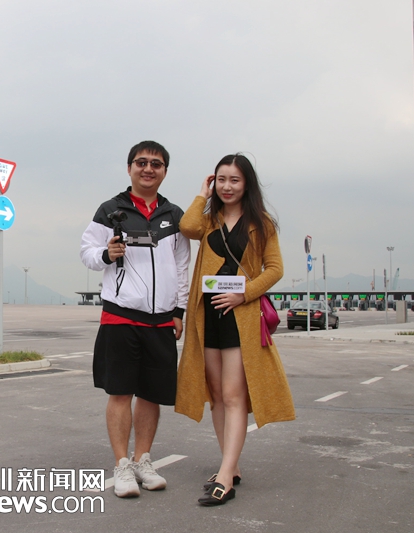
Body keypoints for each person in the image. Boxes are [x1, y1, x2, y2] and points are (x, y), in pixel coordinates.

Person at [175, 154, 295, 506]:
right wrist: (202, 194)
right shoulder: (209, 219)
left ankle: (225, 476)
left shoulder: (261, 223)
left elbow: (275, 269)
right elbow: (187, 227)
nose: (227, 187)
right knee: (215, 393)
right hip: (208, 316)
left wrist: (244, 294)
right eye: (222, 180)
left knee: (232, 395)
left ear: (247, 184)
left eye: (235, 180)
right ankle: (232, 464)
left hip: (240, 317)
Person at [80, 140, 190, 498]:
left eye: (156, 164)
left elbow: (183, 266)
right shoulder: (111, 210)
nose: (148, 169)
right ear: (129, 168)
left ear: (165, 171)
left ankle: (143, 460)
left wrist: (179, 311)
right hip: (121, 317)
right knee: (120, 392)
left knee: (151, 395)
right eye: (141, 162)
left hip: (161, 321)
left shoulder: (175, 216)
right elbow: (87, 252)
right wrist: (106, 253)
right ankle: (122, 464)